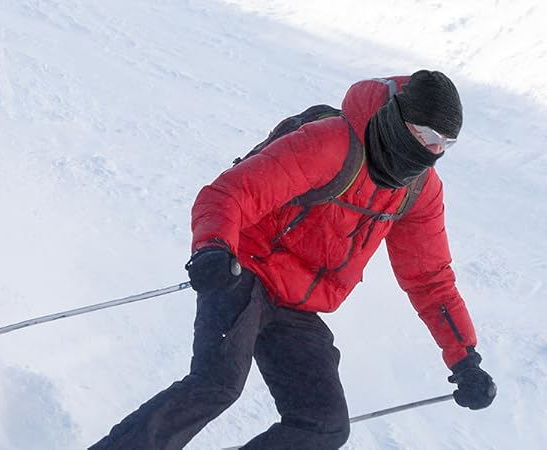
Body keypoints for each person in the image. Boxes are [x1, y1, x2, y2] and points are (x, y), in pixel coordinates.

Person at [90, 70, 497, 450]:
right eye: (425, 135)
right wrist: (212, 247)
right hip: (243, 271)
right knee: (218, 382)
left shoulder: (419, 191)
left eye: (444, 144)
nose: (432, 151)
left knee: (324, 423)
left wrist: (464, 359)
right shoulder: (331, 144)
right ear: (397, 118)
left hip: (297, 304)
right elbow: (231, 193)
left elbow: (430, 279)